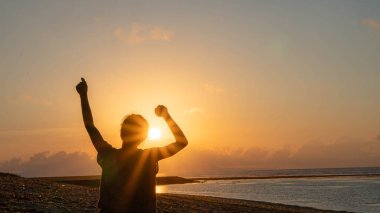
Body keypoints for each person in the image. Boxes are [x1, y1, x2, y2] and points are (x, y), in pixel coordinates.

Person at [76, 78, 188, 212]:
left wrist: (83, 95)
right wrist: (166, 116)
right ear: (144, 137)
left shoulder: (108, 154)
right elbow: (182, 142)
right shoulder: (149, 157)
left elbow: (90, 126)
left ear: (121, 133)